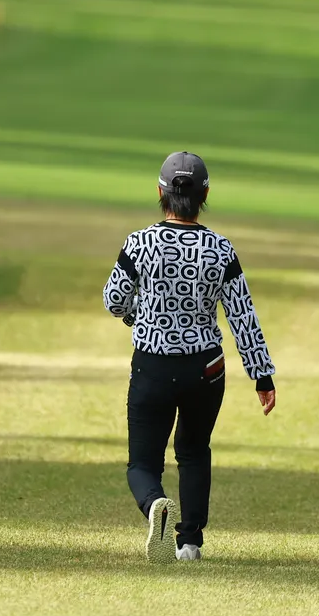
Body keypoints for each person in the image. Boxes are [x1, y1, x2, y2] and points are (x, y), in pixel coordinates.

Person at [103, 151, 277, 564]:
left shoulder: (140, 243)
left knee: (143, 463)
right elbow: (242, 316)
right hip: (206, 368)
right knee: (195, 451)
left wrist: (141, 316)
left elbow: (114, 300)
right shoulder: (220, 249)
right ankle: (190, 543)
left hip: (152, 364)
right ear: (205, 195)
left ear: (160, 192)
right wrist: (262, 375)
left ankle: (155, 506)